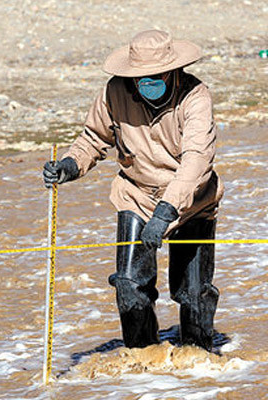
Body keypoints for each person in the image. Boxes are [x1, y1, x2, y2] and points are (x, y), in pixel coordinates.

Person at [42, 30, 223, 351]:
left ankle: (198, 364)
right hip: (136, 196)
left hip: (191, 202)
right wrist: (69, 166)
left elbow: (196, 162)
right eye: (140, 77)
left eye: (154, 77)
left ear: (172, 72)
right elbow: (93, 138)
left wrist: (166, 212)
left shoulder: (196, 96)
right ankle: (143, 364)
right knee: (129, 285)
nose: (146, 81)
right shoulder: (115, 91)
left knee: (193, 292)